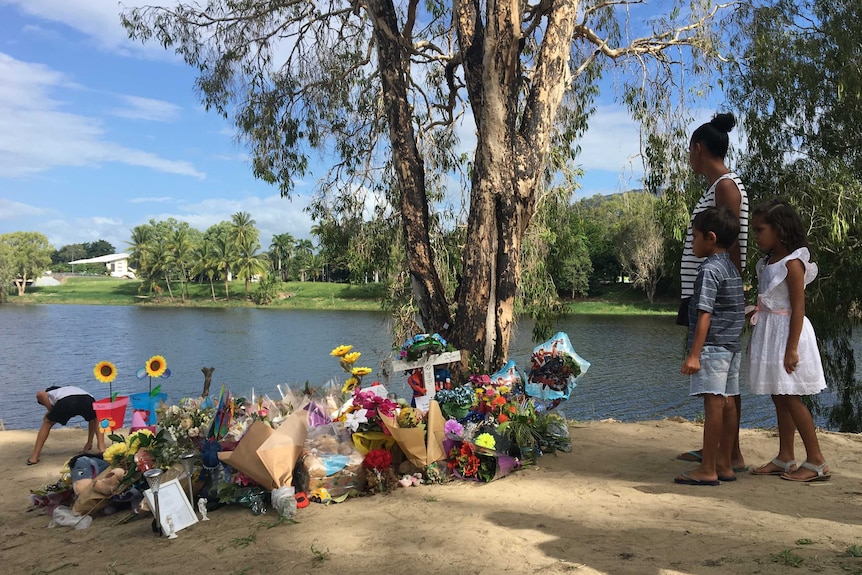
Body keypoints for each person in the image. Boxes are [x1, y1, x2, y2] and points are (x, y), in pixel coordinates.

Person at [676, 112, 749, 471]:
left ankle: (726, 455)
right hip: (709, 288)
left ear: (698, 149)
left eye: (689, 152)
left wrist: (728, 288)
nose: (689, 158)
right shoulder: (718, 185)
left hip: (714, 293)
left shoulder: (725, 186)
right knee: (722, 382)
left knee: (719, 383)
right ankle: (719, 450)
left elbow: (729, 238)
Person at [747, 200, 830, 482]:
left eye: (760, 230)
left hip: (788, 334)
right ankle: (785, 456)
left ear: (779, 230)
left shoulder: (793, 264)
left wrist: (792, 348)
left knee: (791, 397)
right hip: (770, 331)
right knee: (778, 395)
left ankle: (817, 460)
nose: (756, 235)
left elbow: (798, 308)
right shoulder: (767, 263)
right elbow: (769, 299)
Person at [674, 206, 745, 486]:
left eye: (695, 237)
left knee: (713, 405)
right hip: (731, 346)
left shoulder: (709, 270)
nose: (693, 243)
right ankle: (725, 463)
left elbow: (705, 312)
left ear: (711, 238)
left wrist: (694, 354)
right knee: (727, 403)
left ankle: (707, 469)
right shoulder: (731, 268)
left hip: (713, 347)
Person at [27, 385, 105, 465]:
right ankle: (101, 448)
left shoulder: (51, 392)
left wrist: (51, 411)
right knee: (95, 418)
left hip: (67, 401)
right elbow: (91, 419)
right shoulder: (69, 389)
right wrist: (89, 441)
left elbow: (40, 394)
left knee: (47, 422)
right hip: (88, 399)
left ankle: (34, 457)